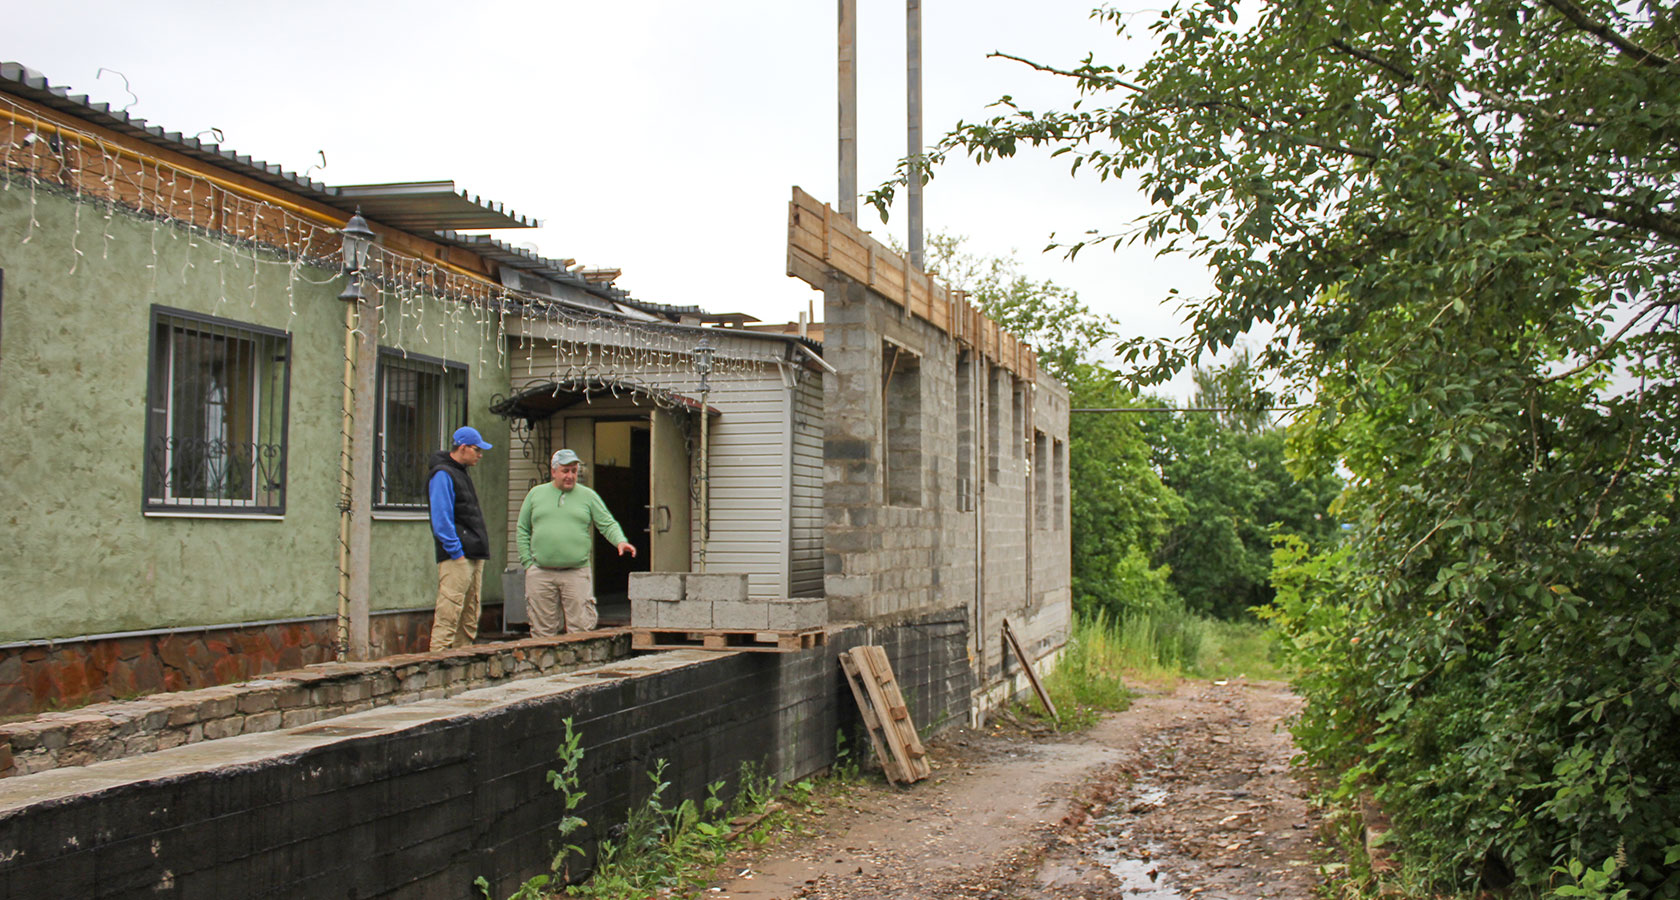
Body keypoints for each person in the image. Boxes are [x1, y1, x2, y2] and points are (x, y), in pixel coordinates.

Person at [516, 449, 637, 636]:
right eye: (565, 471)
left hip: (576, 572)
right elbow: (523, 529)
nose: (570, 476)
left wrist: (620, 541)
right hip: (540, 572)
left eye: (574, 471)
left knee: (580, 628)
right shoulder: (535, 495)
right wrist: (528, 563)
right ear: (554, 471)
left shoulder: (588, 496)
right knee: (542, 630)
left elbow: (607, 523)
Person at [426, 426, 493, 650]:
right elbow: (441, 519)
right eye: (477, 449)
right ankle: (437, 661)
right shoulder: (443, 474)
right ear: (463, 448)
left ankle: (461, 663)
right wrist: (457, 552)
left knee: (469, 615)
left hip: (473, 552)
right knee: (449, 611)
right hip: (458, 556)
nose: (480, 455)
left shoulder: (460, 472)